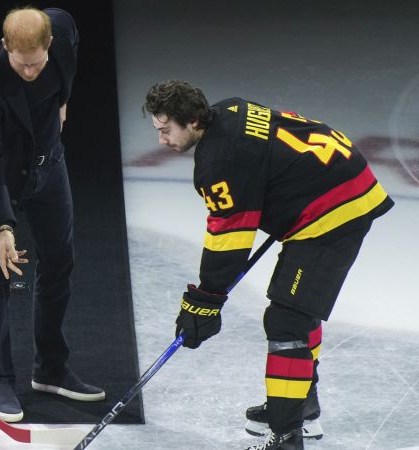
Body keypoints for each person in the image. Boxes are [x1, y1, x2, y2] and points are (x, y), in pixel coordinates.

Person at [142, 80, 393, 450]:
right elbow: (269, 162)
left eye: (166, 130)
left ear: (193, 120)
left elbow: (229, 240)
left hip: (334, 209)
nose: (161, 140)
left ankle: (287, 435)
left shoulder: (217, 162)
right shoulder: (229, 109)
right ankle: (298, 405)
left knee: (287, 319)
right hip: (338, 184)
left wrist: (206, 299)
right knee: (296, 312)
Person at [0, 6, 105, 423]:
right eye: (21, 64)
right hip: (0, 176)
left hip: (49, 166)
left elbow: (68, 37)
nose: (29, 71)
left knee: (59, 263)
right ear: (6, 47)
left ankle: (50, 369)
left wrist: (61, 99)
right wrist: (3, 226)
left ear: (50, 46)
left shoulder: (60, 32)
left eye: (37, 63)